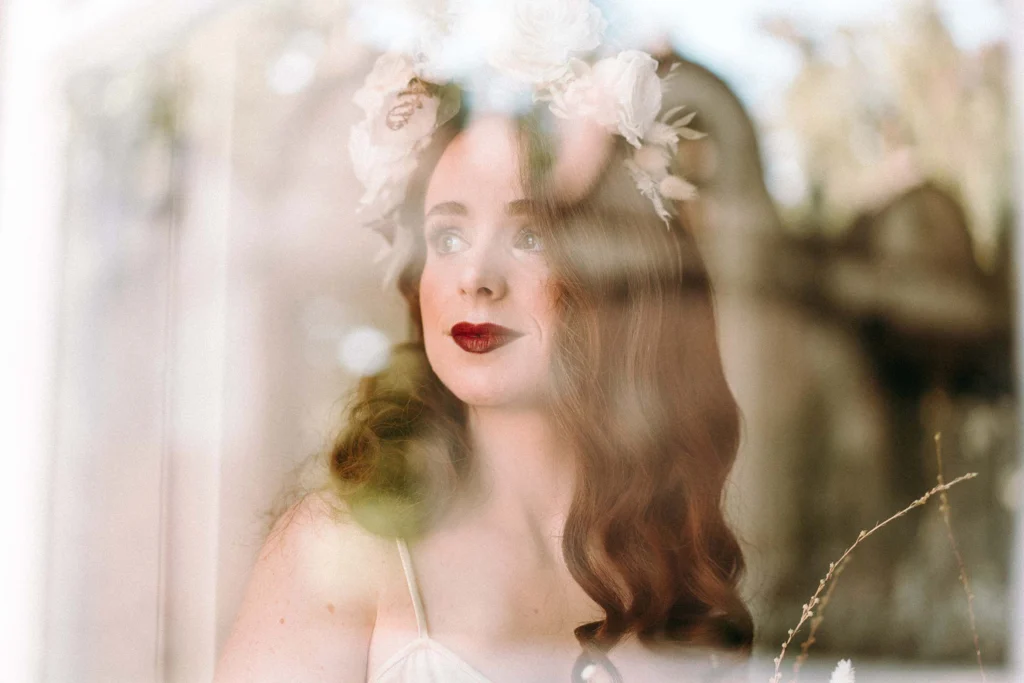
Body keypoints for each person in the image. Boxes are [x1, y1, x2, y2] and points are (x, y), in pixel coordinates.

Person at [215, 19, 754, 683]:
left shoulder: (673, 567)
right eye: (447, 238)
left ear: (616, 272)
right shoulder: (342, 552)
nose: (476, 277)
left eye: (530, 236)